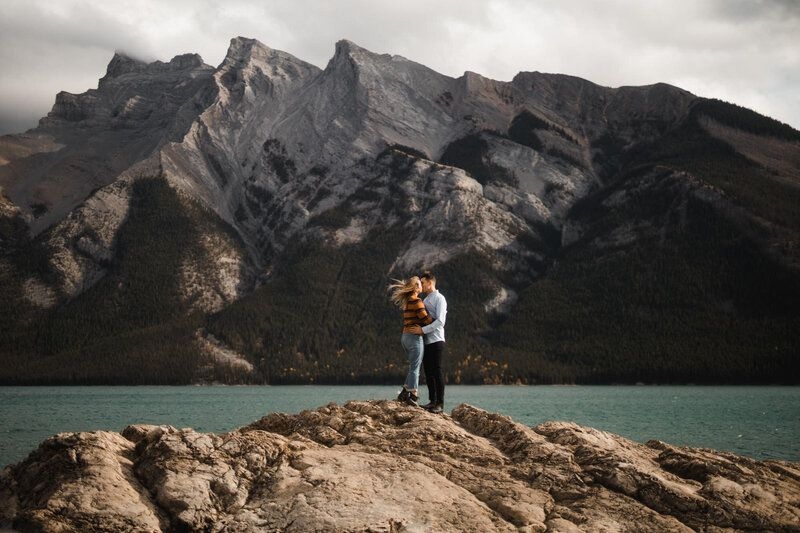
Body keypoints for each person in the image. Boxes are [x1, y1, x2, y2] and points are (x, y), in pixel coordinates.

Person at [388, 276, 433, 406]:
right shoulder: (417, 301)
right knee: (415, 368)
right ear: (415, 287)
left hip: (405, 337)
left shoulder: (408, 302)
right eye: (419, 284)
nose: (421, 286)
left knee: (413, 366)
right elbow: (426, 320)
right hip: (414, 337)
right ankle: (413, 395)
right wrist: (436, 321)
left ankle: (404, 392)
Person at [407, 271, 447, 413]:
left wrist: (422, 331)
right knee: (428, 372)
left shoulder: (440, 299)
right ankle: (432, 401)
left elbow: (441, 321)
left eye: (423, 283)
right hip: (426, 341)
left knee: (437, 371)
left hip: (436, 340)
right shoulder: (424, 300)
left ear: (430, 283)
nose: (421, 286)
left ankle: (440, 404)